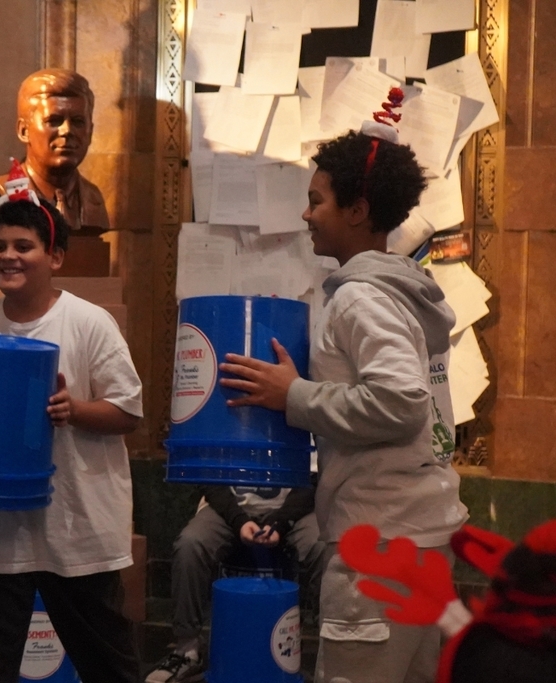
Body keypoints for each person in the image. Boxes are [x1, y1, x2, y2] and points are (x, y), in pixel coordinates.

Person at [217, 124, 469, 683]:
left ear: (356, 210)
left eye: (316, 201)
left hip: (379, 545)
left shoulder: (361, 297)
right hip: (420, 538)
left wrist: (294, 395)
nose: (306, 216)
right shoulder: (400, 293)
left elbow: (402, 403)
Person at [0, 193, 142, 683]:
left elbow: (128, 411)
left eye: (23, 245)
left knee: (109, 666)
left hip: (77, 528)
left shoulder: (89, 323)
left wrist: (74, 410)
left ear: (54, 257)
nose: (7, 256)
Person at [146, 483, 326, 683]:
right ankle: (186, 649)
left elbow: (312, 481)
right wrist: (238, 520)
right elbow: (210, 479)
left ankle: (329, 653)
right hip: (229, 508)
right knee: (190, 545)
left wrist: (281, 522)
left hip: (294, 510)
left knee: (324, 549)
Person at [0, 69, 109, 233]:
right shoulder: (4, 193)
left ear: (90, 132)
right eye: (54, 121)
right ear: (24, 131)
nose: (67, 130)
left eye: (78, 122)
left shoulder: (94, 200)